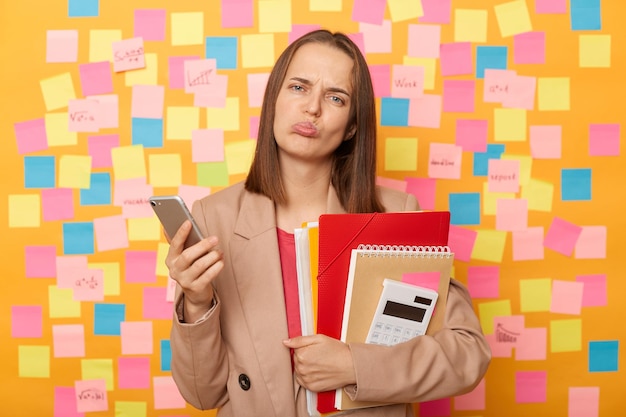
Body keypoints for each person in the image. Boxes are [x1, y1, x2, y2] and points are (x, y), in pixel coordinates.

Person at [165, 29, 491, 417]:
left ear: (352, 125)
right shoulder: (212, 218)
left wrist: (354, 365)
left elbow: (468, 353)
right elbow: (203, 394)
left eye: (335, 97)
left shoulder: (396, 213)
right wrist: (197, 303)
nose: (313, 108)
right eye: (299, 87)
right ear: (273, 101)